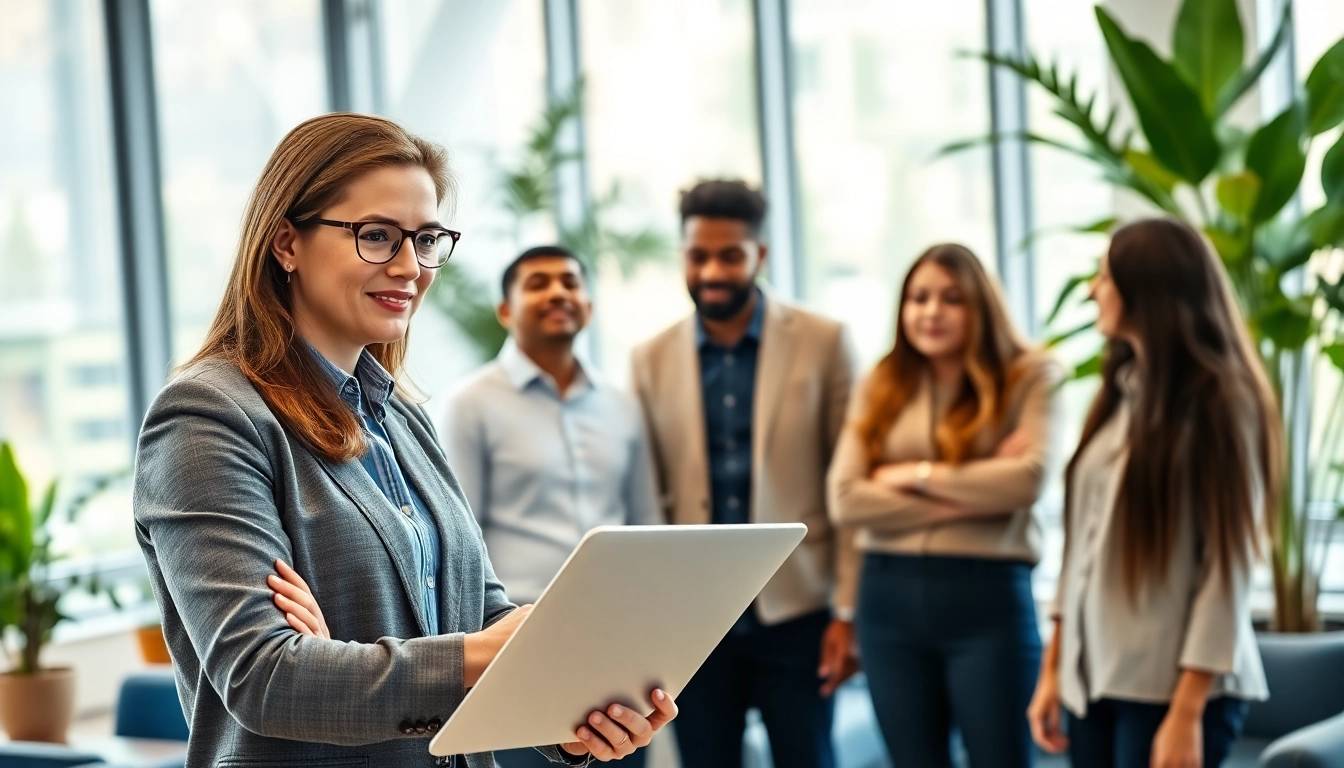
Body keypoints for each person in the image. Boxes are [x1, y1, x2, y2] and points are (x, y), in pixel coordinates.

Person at [132, 113, 676, 768]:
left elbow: (479, 613)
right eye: (377, 236)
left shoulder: (402, 417)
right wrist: (478, 654)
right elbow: (266, 678)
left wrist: (567, 716)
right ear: (286, 243)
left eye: (426, 240)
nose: (410, 267)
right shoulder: (208, 417)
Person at [1028, 218, 1280, 768]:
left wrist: (1187, 712)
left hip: (1173, 692)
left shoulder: (1223, 401)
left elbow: (1228, 568)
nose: (1093, 290)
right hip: (1092, 680)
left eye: (1104, 276)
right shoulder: (1120, 393)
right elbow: (1080, 551)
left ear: (1146, 288)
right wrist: (1053, 671)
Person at [630, 180, 859, 768]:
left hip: (799, 609)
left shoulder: (825, 342)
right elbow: (648, 495)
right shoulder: (648, 358)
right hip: (694, 618)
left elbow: (850, 488)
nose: (712, 271)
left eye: (730, 256)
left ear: (761, 254)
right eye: (698, 256)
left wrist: (847, 612)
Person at [826, 243, 1061, 767]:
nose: (931, 312)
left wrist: (912, 477)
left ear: (981, 304)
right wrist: (973, 499)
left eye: (951, 298)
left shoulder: (1030, 376)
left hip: (988, 601)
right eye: (918, 298)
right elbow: (846, 500)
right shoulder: (881, 382)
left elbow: (1026, 482)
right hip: (887, 602)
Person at [438, 245, 661, 767]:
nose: (558, 292)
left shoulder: (622, 405)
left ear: (589, 306)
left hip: (616, 641)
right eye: (538, 283)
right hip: (520, 644)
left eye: (570, 282)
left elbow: (646, 522)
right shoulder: (470, 405)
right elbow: (460, 540)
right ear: (506, 310)